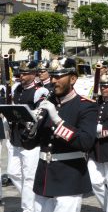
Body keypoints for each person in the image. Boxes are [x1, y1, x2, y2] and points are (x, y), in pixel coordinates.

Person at [22, 58, 98, 212]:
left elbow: (86, 142)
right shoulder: (46, 103)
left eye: (59, 77)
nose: (54, 81)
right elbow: (29, 145)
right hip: (44, 176)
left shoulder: (86, 106)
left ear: (73, 78)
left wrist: (57, 120)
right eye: (53, 76)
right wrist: (30, 128)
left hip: (69, 176)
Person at [6, 60, 48, 212]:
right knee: (13, 172)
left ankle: (28, 208)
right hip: (16, 136)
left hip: (31, 139)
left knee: (29, 177)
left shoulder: (40, 91)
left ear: (33, 74)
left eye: (25, 73)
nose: (21, 76)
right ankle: (32, 200)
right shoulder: (17, 88)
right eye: (21, 73)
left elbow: (41, 113)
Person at [87, 72, 108, 212]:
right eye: (102, 86)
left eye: (107, 86)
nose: (103, 89)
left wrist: (103, 129)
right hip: (95, 148)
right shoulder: (96, 101)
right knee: (95, 182)